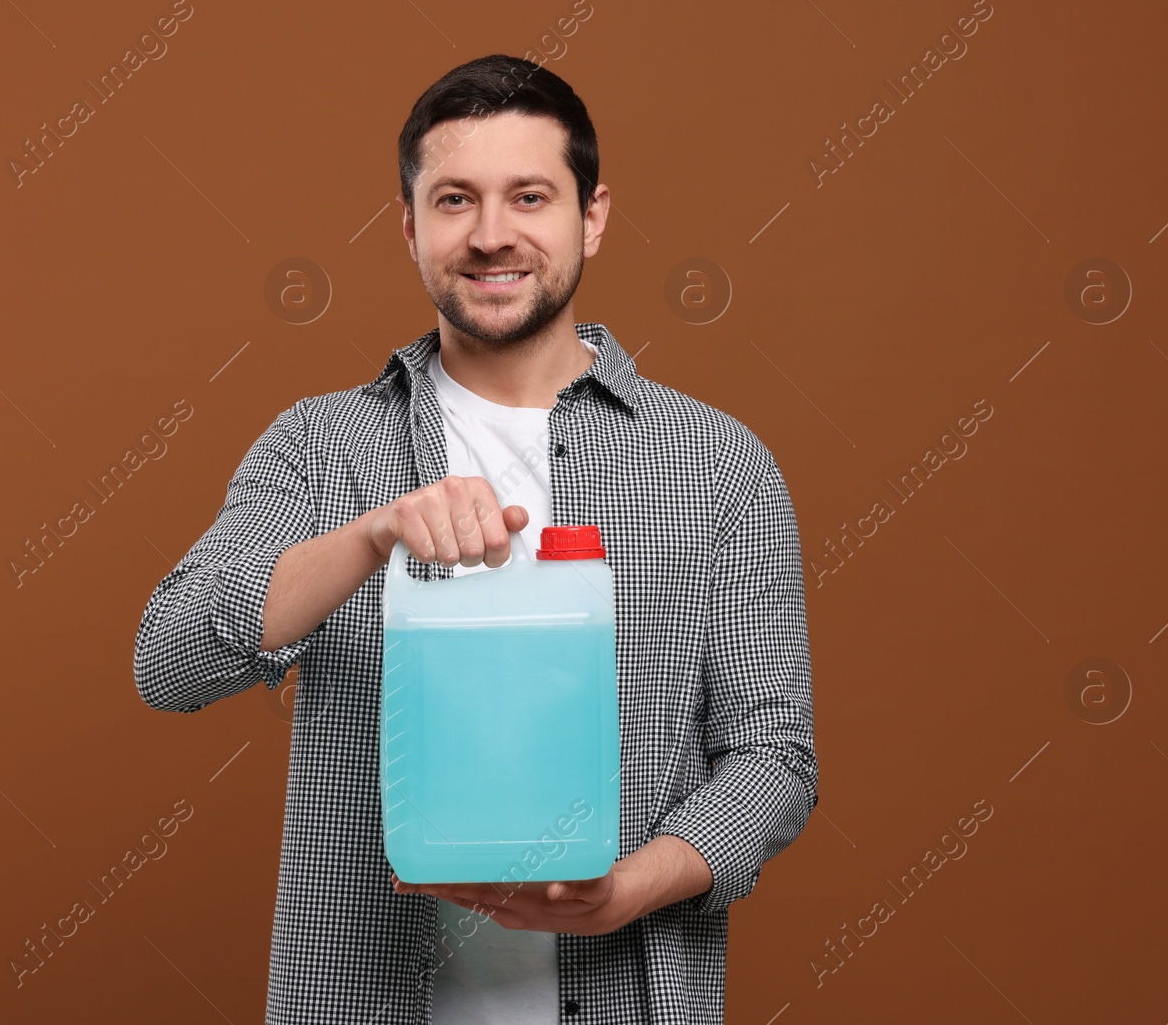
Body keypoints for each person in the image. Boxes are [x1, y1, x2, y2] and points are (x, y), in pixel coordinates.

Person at [133, 53, 818, 1025]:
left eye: (528, 196)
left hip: (625, 994)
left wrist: (626, 889)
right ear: (409, 226)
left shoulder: (715, 461)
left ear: (592, 214)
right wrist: (370, 536)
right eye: (455, 200)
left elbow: (772, 754)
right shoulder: (321, 444)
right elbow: (167, 662)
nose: (491, 235)